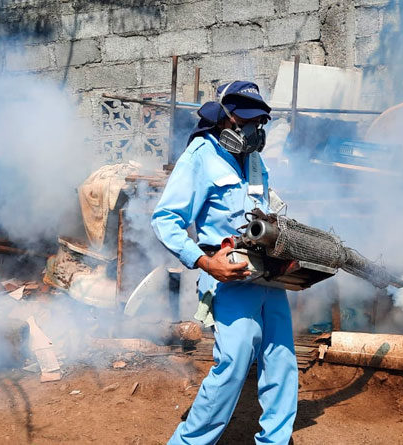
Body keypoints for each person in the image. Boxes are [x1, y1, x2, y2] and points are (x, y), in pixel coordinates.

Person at [151, 81, 298, 445]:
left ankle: (274, 441)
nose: (252, 130)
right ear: (225, 119)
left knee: (281, 360)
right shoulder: (201, 155)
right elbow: (165, 219)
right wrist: (204, 261)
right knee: (233, 363)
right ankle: (189, 442)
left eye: (258, 123)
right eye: (245, 121)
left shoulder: (255, 160)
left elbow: (263, 210)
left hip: (266, 274)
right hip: (229, 276)